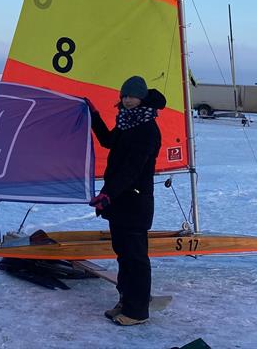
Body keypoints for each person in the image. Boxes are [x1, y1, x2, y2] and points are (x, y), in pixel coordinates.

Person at [86, 76, 166, 326]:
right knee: (123, 255)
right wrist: (94, 116)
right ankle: (126, 300)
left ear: (142, 97)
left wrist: (108, 193)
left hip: (135, 201)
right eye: (124, 96)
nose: (127, 100)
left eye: (131, 96)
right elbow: (108, 141)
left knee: (135, 259)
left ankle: (137, 311)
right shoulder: (126, 123)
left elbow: (132, 169)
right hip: (119, 200)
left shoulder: (147, 129)